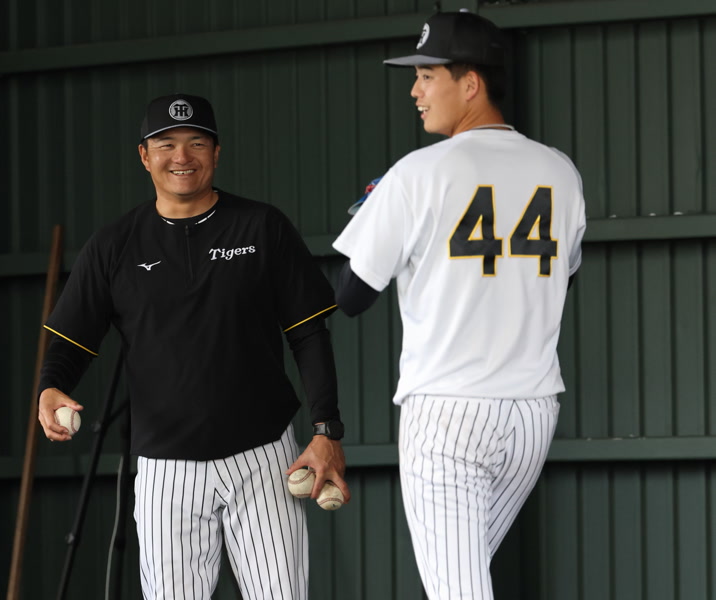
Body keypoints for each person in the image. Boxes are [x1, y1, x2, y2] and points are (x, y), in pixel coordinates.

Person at [36, 92, 349, 599]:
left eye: (196, 143)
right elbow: (71, 341)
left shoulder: (261, 226)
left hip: (263, 456)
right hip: (166, 467)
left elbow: (308, 332)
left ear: (217, 152)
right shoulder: (114, 245)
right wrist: (51, 387)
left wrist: (326, 428)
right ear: (144, 156)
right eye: (166, 144)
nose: (181, 156)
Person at [332, 11, 586, 600]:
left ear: (471, 84)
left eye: (428, 75)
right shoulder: (561, 171)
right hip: (531, 414)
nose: (415, 90)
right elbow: (562, 281)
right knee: (461, 579)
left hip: (448, 413)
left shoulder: (418, 173)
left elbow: (351, 296)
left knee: (457, 588)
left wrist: (376, 213)